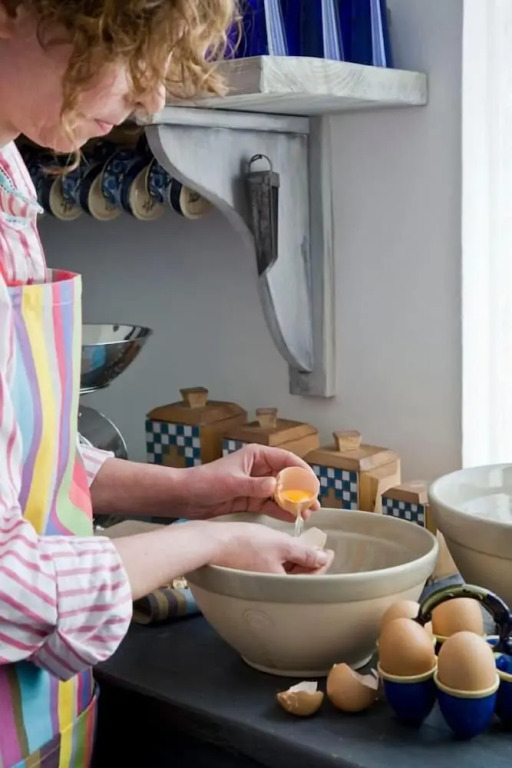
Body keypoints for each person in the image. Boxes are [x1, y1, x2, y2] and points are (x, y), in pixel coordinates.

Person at [0, 1, 334, 766]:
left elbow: (24, 453)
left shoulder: (9, 177)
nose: (151, 99)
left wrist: (187, 492)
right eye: (129, 50)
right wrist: (209, 540)